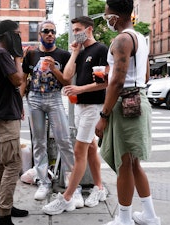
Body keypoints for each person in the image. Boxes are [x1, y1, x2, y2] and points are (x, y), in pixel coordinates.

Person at [95, 0, 161, 224]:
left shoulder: (123, 39)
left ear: (117, 16)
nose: (107, 20)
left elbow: (117, 82)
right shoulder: (140, 38)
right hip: (137, 100)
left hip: (125, 104)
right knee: (133, 163)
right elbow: (145, 76)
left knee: (125, 164)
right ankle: (150, 216)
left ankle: (123, 220)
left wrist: (103, 117)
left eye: (107, 16)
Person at [42, 16, 109, 215]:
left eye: (78, 29)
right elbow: (68, 75)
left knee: (79, 151)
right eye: (73, 29)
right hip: (80, 107)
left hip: (93, 106)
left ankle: (67, 198)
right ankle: (99, 187)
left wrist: (79, 89)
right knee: (89, 148)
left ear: (89, 29)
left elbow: (105, 81)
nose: (75, 32)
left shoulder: (101, 50)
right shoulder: (80, 51)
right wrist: (74, 52)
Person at [20, 20, 74, 201]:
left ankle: (70, 179)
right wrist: (19, 102)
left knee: (64, 140)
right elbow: (23, 78)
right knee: (39, 143)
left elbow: (67, 81)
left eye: (52, 31)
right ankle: (44, 182)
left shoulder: (63, 55)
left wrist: (53, 67)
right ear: (40, 34)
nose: (50, 34)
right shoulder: (32, 54)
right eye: (46, 31)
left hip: (54, 98)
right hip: (34, 99)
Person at [0, 19, 29, 225]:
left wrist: (18, 107)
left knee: (5, 162)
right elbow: (18, 80)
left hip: (6, 112)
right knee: (13, 163)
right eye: (17, 34)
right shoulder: (2, 54)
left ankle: (2, 203)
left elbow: (10, 88)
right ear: (6, 35)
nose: (19, 37)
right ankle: (4, 215)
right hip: (5, 116)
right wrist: (19, 58)